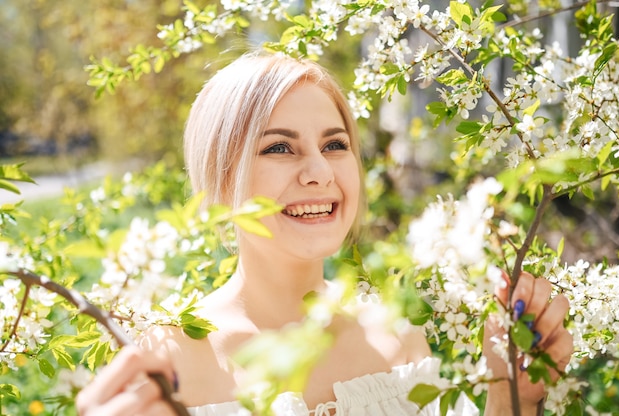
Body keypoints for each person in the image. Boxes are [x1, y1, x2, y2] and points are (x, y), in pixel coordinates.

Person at [75, 52, 574, 416]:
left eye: (335, 144)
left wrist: (512, 395)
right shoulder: (169, 361)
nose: (319, 172)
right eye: (278, 148)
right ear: (222, 177)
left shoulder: (395, 333)